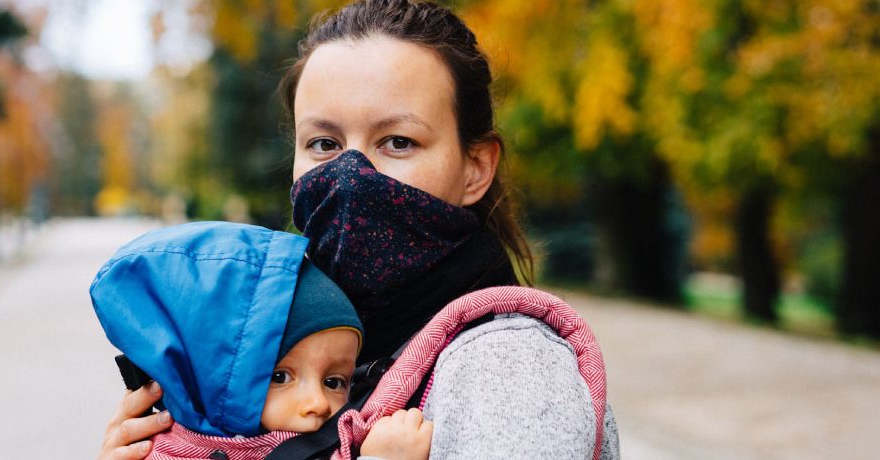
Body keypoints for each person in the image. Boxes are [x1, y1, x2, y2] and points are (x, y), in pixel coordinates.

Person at [99, 1, 620, 459]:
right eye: (324, 144)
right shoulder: (289, 343)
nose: (351, 176)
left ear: (476, 168)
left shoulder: (508, 371)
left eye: (397, 142)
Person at [90, 221, 433, 459]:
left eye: (334, 381)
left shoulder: (341, 436)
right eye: (279, 376)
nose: (317, 402)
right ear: (209, 379)